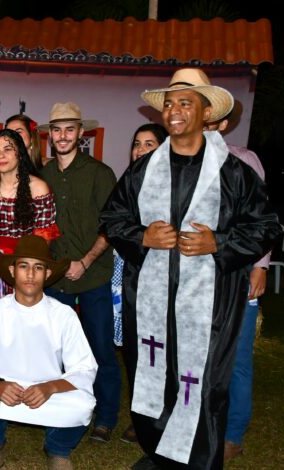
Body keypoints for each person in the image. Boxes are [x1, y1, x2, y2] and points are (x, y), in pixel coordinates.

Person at [100, 68, 281, 469]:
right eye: (169, 104)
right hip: (151, 302)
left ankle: (197, 461)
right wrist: (143, 236)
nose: (175, 111)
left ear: (205, 113)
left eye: (186, 103)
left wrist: (218, 242)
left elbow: (264, 226)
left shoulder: (233, 172)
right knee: (153, 377)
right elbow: (113, 218)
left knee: (201, 385)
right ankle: (160, 454)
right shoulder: (145, 169)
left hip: (209, 306)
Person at [0, 234, 97, 470]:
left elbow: (84, 368)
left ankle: (57, 448)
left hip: (46, 393)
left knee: (84, 404)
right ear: (12, 271)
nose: (31, 274)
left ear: (46, 273)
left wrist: (50, 387)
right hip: (4, 391)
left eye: (38, 267)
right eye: (24, 266)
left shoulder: (63, 314)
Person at [39, 102, 121, 443]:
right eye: (56, 129)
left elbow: (112, 225)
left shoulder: (100, 174)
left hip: (93, 275)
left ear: (80, 133)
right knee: (55, 351)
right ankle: (61, 410)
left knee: (100, 348)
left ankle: (105, 417)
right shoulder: (43, 174)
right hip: (56, 278)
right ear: (50, 135)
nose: (62, 135)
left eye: (69, 129)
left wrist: (85, 260)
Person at [206, 114, 271, 462]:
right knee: (199, 357)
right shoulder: (180, 162)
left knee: (237, 358)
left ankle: (233, 434)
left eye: (211, 116)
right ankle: (203, 426)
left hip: (237, 273)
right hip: (197, 279)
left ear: (224, 122)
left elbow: (260, 218)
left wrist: (259, 266)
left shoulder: (243, 160)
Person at [0, 129, 59, 329]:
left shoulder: (38, 188)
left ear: (19, 153)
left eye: (8, 149)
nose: (1, 155)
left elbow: (43, 242)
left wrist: (27, 277)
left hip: (28, 267)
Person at [114, 122, 167, 444]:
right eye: (137, 143)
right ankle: (143, 420)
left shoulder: (174, 186)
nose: (140, 149)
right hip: (130, 278)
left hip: (164, 284)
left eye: (149, 143)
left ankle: (164, 420)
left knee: (162, 355)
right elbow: (114, 223)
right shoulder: (128, 184)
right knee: (135, 354)